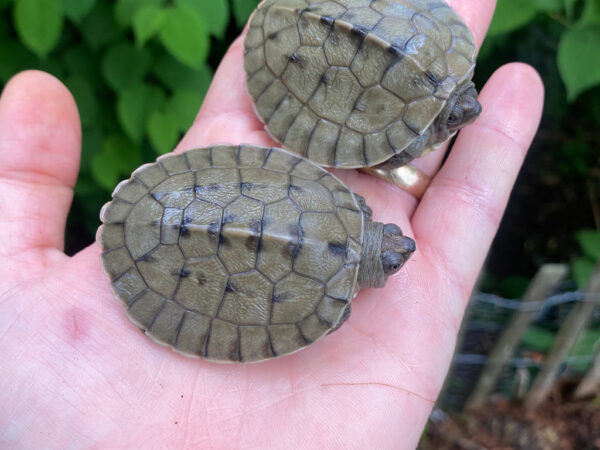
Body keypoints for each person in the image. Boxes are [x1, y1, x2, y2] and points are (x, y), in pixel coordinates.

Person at [0, 1, 544, 447]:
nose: (401, 249)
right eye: (400, 248)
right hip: (184, 220)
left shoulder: (336, 217)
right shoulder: (326, 291)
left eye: (392, 251)